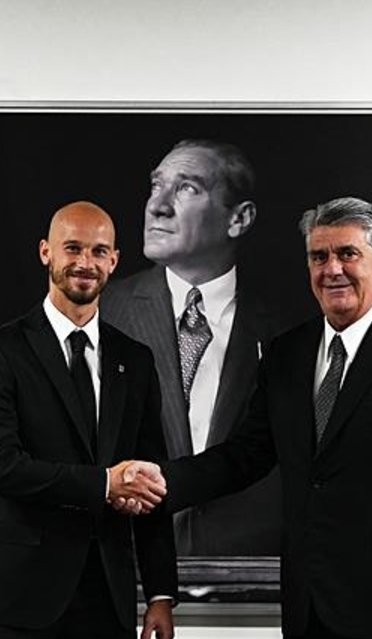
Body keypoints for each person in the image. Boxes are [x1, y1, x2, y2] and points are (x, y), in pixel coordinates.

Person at [147, 197, 372, 639]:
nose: (332, 269)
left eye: (347, 254)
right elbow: (246, 455)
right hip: (309, 617)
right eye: (318, 256)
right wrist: (162, 481)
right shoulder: (288, 353)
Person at [0, 201, 177, 639]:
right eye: (73, 248)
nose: (85, 262)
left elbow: (150, 480)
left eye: (99, 251)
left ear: (114, 261)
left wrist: (161, 592)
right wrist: (104, 484)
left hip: (106, 597)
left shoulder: (136, 360)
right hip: (16, 593)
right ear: (46, 252)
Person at [102, 139, 284, 557]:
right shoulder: (103, 314)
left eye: (187, 188)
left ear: (239, 219)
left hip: (251, 567)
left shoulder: (286, 329)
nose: (157, 206)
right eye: (156, 185)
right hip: (128, 559)